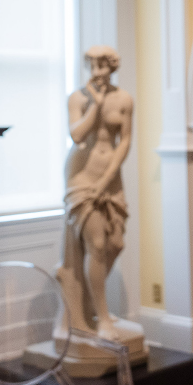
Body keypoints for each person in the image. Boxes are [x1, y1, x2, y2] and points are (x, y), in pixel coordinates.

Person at [56, 46, 134, 340]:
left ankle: (89, 301)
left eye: (102, 65)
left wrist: (108, 178)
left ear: (112, 67)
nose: (97, 72)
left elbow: (124, 141)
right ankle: (102, 317)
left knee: (116, 243)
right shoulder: (78, 98)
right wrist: (96, 105)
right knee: (97, 245)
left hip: (110, 178)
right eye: (92, 66)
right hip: (82, 175)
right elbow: (77, 135)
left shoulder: (124, 99)